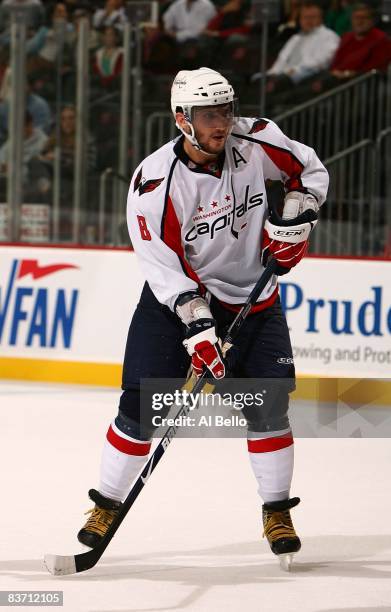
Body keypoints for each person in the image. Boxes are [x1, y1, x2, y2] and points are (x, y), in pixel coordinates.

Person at [77, 67, 328, 567]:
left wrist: (298, 214)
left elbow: (310, 170)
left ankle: (277, 511)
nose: (221, 123)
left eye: (225, 110)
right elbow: (161, 264)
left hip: (253, 300)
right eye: (208, 114)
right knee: (139, 408)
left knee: (268, 409)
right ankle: (105, 506)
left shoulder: (255, 140)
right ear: (181, 119)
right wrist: (197, 326)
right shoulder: (154, 182)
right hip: (177, 305)